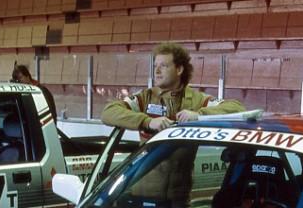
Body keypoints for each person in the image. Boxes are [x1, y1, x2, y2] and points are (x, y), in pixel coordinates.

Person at [101, 42, 245, 141]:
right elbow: (108, 112)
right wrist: (147, 122)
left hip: (181, 185)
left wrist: (198, 115)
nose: (156, 71)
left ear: (179, 69)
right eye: (155, 66)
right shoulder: (146, 97)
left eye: (163, 66)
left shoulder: (197, 100)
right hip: (146, 183)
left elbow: (237, 108)